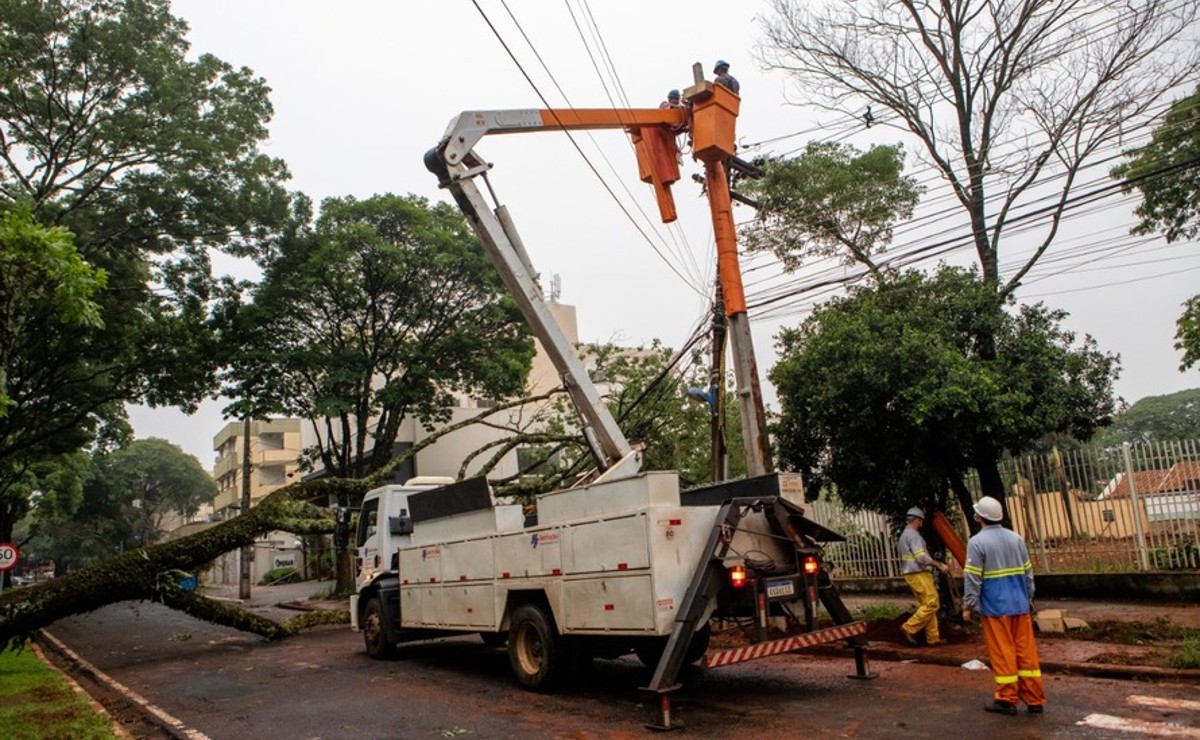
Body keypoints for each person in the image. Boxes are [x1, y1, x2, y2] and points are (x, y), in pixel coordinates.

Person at [963, 496, 1046, 716]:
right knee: (1026, 653)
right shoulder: (1016, 539)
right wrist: (1029, 597)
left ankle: (1007, 698)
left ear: (979, 517)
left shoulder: (977, 542)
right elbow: (1028, 573)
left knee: (1003, 652)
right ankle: (1034, 699)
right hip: (1020, 604)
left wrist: (968, 605)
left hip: (995, 607)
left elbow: (972, 578)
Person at [897, 507, 949, 646]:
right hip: (918, 574)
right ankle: (909, 628)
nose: (921, 523)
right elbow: (921, 557)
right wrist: (939, 565)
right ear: (916, 520)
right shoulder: (913, 535)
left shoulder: (904, 535)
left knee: (927, 605)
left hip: (913, 574)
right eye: (920, 520)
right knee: (932, 603)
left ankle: (933, 639)